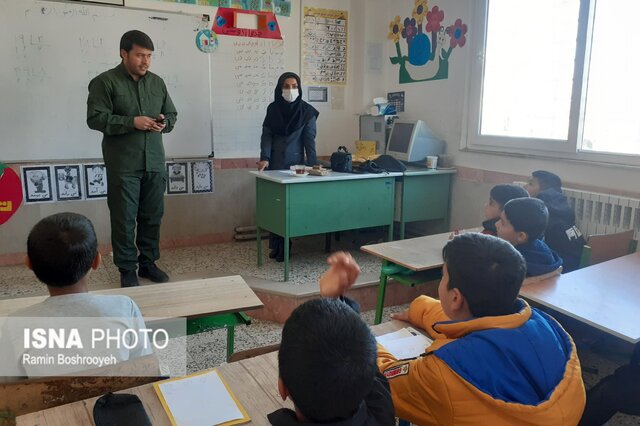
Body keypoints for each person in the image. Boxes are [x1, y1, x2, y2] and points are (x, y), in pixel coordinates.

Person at [375, 233, 585, 424]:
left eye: (443, 276)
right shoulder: (549, 327)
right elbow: (470, 321)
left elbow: (382, 381)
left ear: (455, 297)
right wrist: (420, 310)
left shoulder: (443, 372)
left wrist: (361, 335)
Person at [1, 213, 152, 377]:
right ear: (97, 261)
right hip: (117, 400)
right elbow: (143, 367)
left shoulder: (14, 325)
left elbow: (9, 387)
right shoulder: (124, 307)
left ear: (28, 263)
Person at [87, 30, 177, 287]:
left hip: (154, 162)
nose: (145, 61)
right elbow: (95, 118)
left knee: (152, 216)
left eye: (149, 56)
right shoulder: (105, 82)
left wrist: (164, 122)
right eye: (139, 55)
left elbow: (171, 114)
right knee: (124, 218)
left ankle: (148, 263)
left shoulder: (157, 83)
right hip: (124, 165)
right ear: (123, 53)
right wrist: (131, 122)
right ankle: (127, 268)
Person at [269, 253, 395, 425]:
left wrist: (332, 300)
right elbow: (360, 358)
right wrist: (334, 302)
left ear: (283, 388)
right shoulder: (382, 407)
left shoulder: (378, 396)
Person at [257, 72, 319, 263]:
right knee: (274, 207)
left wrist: (313, 163)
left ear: (299, 88)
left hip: (295, 167)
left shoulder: (307, 111)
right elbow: (266, 135)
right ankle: (276, 246)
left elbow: (310, 141)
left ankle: (286, 246)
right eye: (286, 86)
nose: (290, 90)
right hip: (274, 164)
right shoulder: (273, 108)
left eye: (294, 86)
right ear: (280, 87)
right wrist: (264, 158)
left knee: (288, 209)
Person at [525, 170, 586, 272]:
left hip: (562, 270)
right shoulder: (562, 207)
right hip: (578, 266)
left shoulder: (543, 215)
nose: (525, 187)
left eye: (530, 184)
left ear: (543, 191)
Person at [497, 197, 563, 276]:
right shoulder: (543, 249)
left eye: (502, 223)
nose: (496, 224)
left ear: (521, 236)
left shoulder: (511, 264)